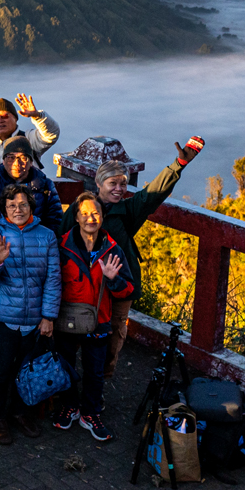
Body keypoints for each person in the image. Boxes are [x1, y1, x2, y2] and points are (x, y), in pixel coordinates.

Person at [59, 136, 204, 377]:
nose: (119, 188)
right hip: (84, 283)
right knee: (72, 330)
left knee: (114, 333)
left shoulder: (127, 210)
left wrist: (179, 164)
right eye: (112, 183)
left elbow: (153, 193)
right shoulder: (80, 209)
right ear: (98, 182)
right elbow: (62, 242)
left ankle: (101, 381)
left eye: (123, 183)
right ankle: (67, 383)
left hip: (118, 282)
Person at [0, 184, 61, 446]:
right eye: (12, 205)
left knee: (25, 370)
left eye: (23, 204)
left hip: (34, 319)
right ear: (4, 208)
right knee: (1, 370)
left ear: (31, 207)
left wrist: (48, 316)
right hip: (3, 318)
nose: (17, 209)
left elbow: (53, 278)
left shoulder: (46, 236)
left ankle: (19, 411)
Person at [53, 193, 134, 443]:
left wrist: (113, 279)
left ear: (103, 217)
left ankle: (90, 413)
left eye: (96, 213)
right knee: (66, 366)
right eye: (85, 213)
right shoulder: (62, 247)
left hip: (99, 319)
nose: (91, 218)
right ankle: (69, 406)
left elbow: (128, 289)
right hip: (66, 318)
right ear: (76, 216)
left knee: (94, 371)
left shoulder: (113, 249)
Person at [0, 136, 63, 232]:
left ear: (31, 162)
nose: (17, 163)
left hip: (35, 239)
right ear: (3, 161)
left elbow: (55, 219)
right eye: (11, 157)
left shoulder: (45, 184)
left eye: (23, 157)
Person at [0, 94, 60, 169]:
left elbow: (52, 134)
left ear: (15, 118)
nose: (0, 120)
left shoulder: (28, 139)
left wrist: (37, 116)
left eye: (5, 116)